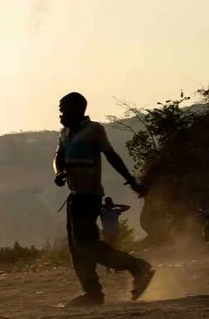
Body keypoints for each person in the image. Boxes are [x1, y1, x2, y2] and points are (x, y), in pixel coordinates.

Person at [53, 91, 156, 306]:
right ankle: (93, 294)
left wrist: (132, 181)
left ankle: (137, 267)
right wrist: (59, 173)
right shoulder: (64, 133)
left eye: (63, 111)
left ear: (77, 110)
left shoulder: (94, 130)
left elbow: (111, 156)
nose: (60, 115)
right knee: (77, 249)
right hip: (74, 197)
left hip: (89, 196)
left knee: (86, 245)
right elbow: (58, 158)